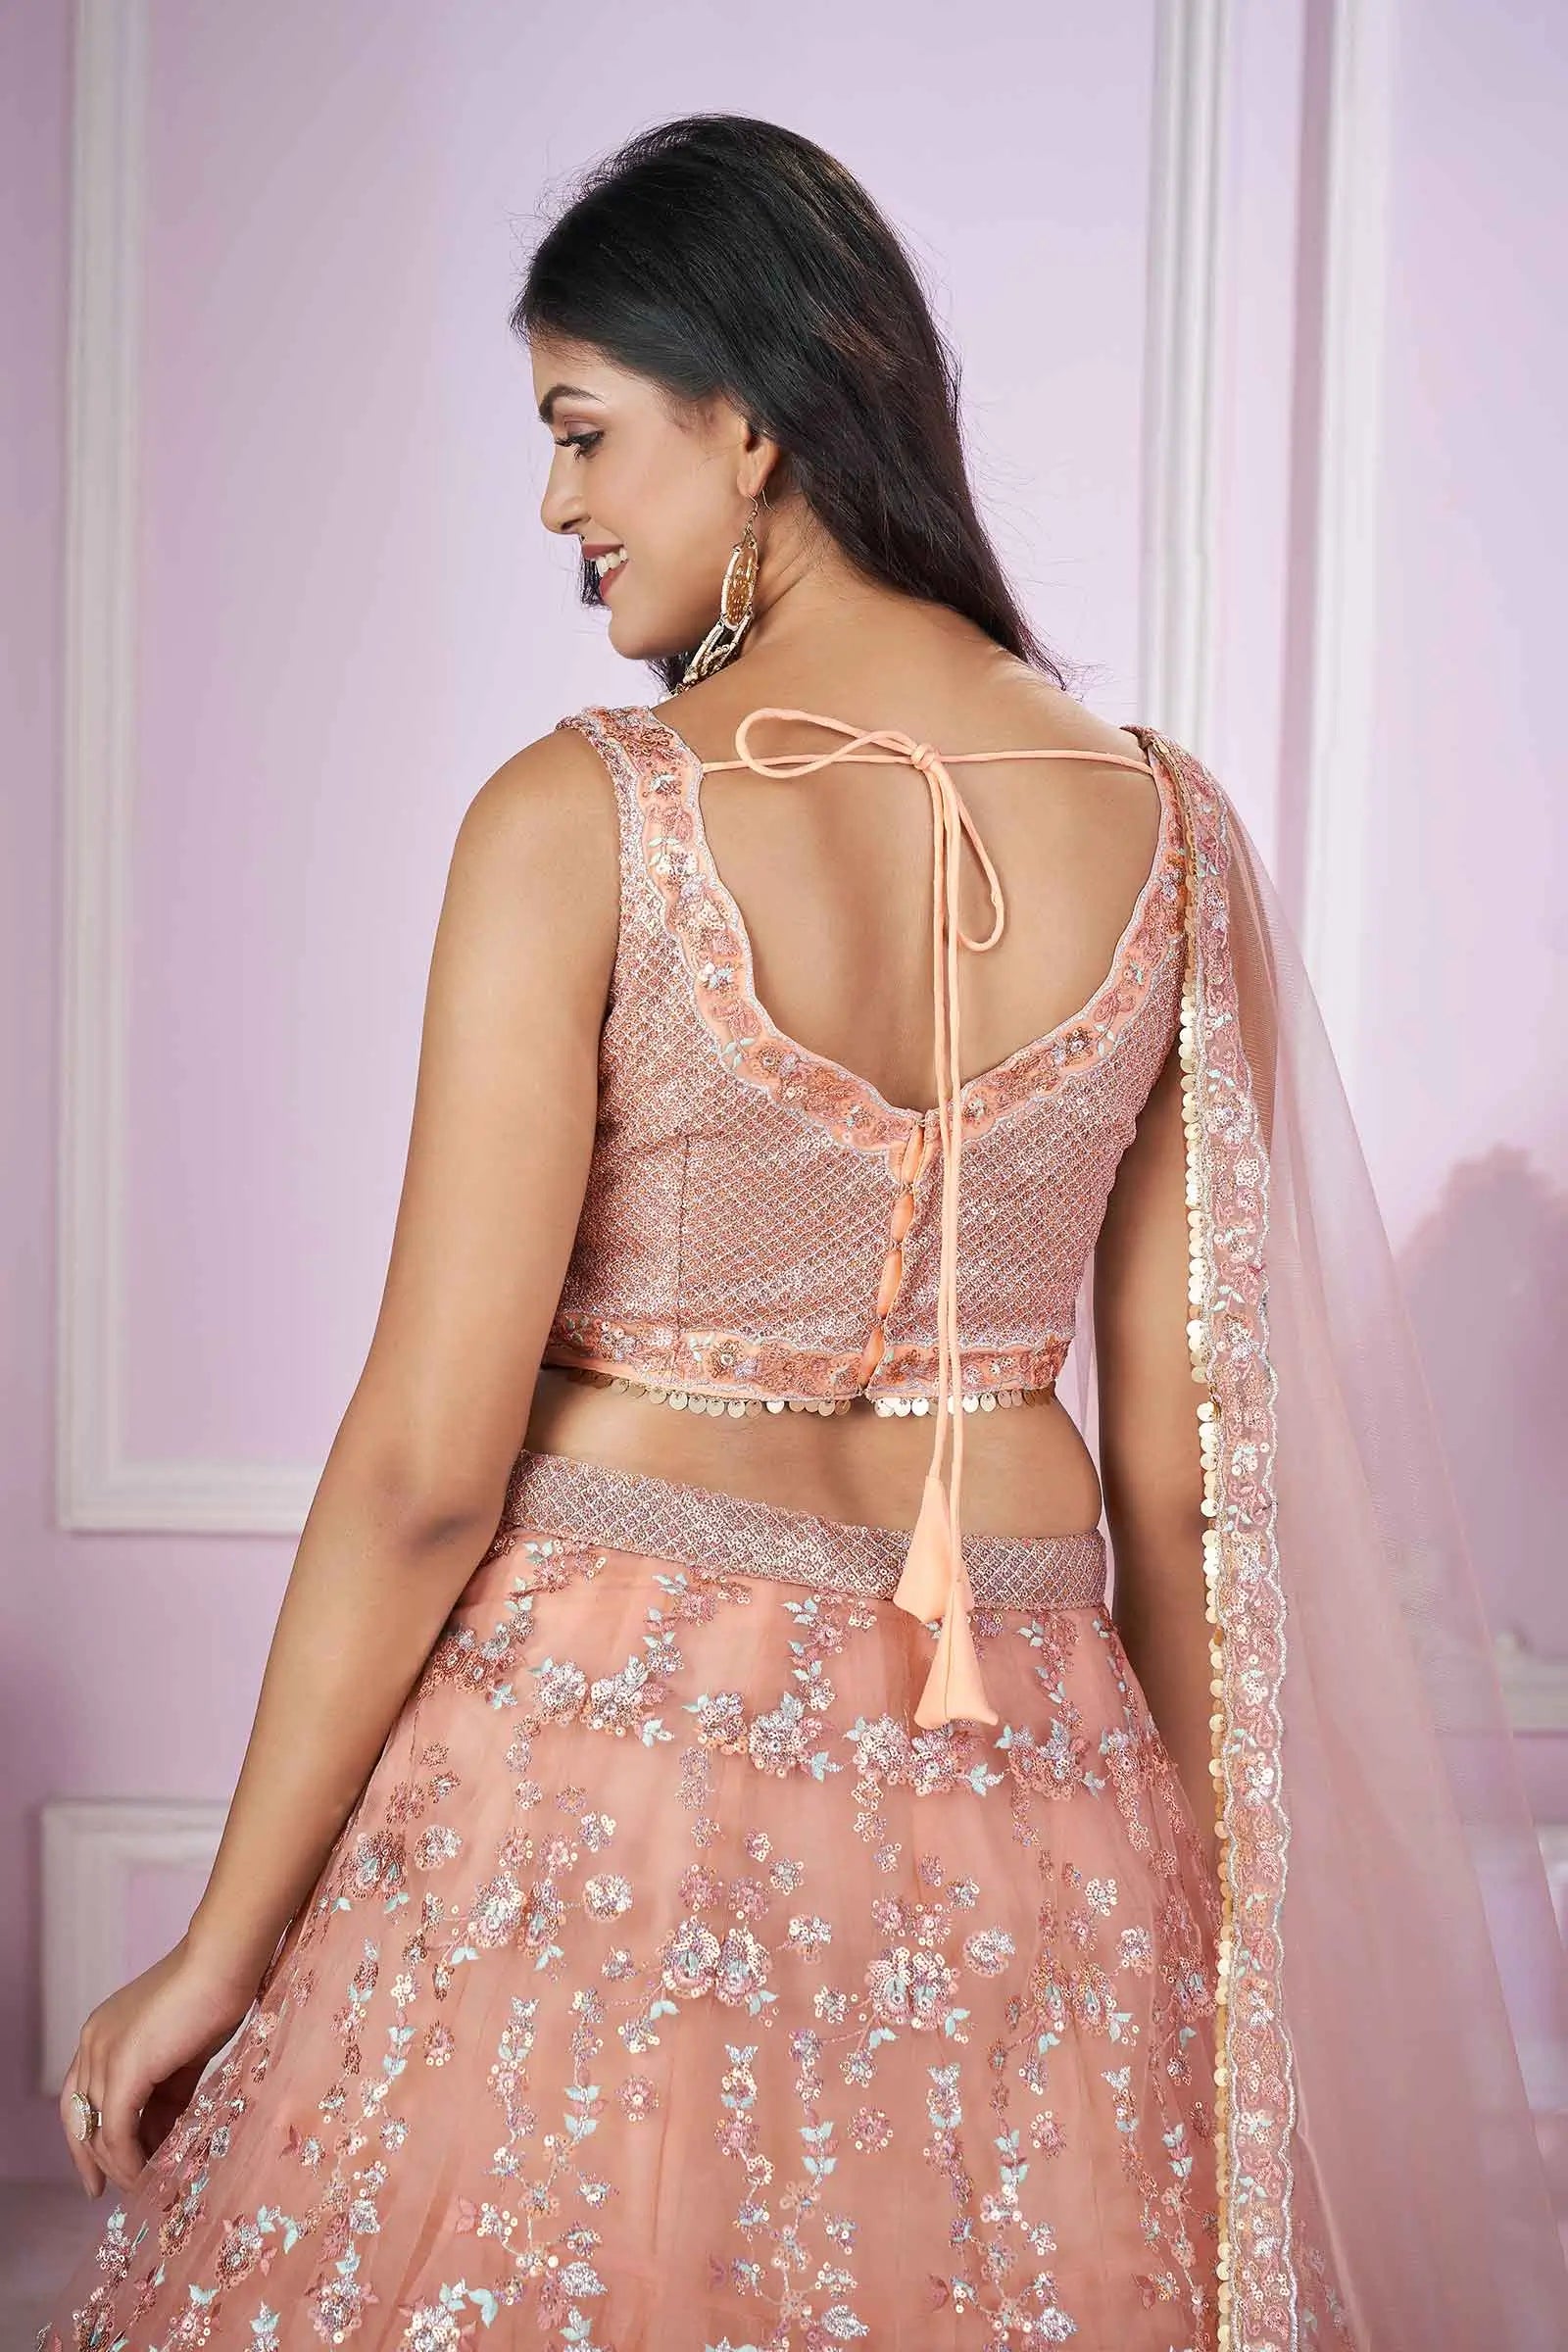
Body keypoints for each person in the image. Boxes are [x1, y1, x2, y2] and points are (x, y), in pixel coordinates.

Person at [38, 114, 1568, 2352]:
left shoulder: (581, 818)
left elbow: (427, 1471)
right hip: (1033, 1776)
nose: (555, 506)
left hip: (597, 1769)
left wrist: (222, 1944)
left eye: (584, 434)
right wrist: (1206, 1966)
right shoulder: (1166, 835)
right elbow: (1185, 1491)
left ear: (747, 421)